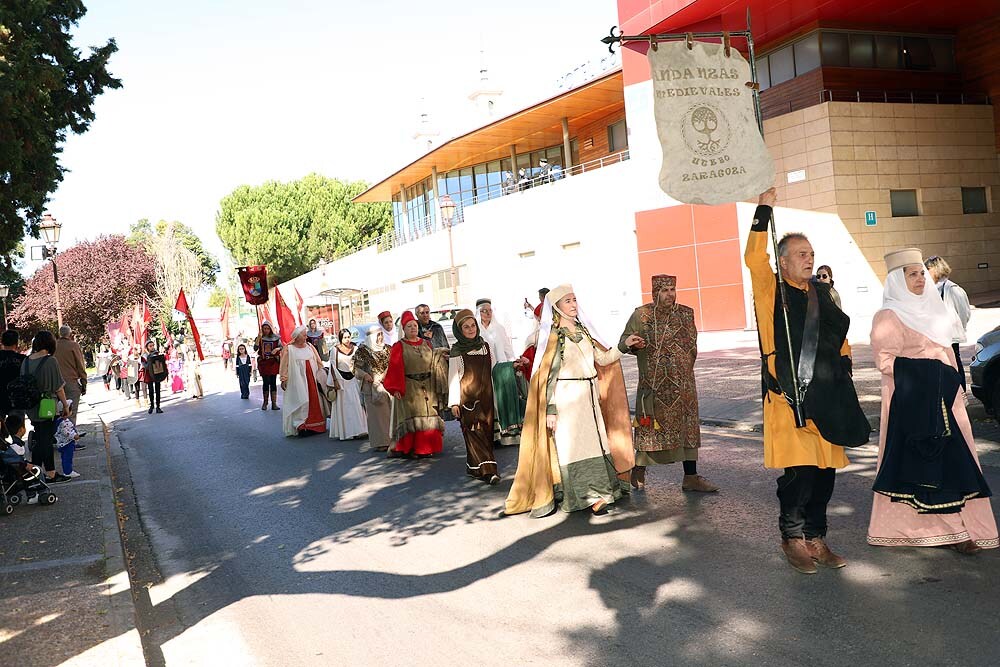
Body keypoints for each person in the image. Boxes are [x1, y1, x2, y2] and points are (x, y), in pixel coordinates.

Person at [745, 188, 871, 574]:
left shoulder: (821, 294)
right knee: (799, 475)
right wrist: (763, 209)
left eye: (811, 254)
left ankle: (817, 539)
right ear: (782, 262)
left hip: (828, 396)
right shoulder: (771, 291)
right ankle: (793, 539)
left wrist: (845, 366)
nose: (809, 259)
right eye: (801, 254)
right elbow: (753, 257)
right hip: (790, 396)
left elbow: (839, 337)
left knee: (825, 475)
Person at [868, 248, 997, 553]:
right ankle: (945, 531)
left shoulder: (936, 308)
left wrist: (952, 381)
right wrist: (931, 370)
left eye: (921, 273)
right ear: (896, 281)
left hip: (947, 398)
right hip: (912, 401)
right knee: (923, 462)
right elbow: (885, 361)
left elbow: (950, 352)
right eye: (911, 274)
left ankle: (963, 527)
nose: (919, 279)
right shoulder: (888, 316)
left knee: (957, 461)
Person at [504, 285, 642, 517]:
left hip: (589, 395)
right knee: (573, 448)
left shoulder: (584, 331)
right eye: (567, 301)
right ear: (557, 307)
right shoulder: (554, 337)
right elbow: (549, 376)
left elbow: (602, 358)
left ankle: (600, 494)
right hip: (567, 398)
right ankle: (583, 496)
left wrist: (623, 346)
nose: (573, 304)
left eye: (574, 299)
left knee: (596, 444)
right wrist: (550, 409)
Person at [619, 274, 717, 493]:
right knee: (649, 429)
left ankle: (690, 477)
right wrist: (635, 345)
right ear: (655, 292)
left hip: (683, 385)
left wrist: (680, 368)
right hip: (654, 385)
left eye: (672, 289)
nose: (670, 294)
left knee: (687, 429)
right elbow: (624, 343)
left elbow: (691, 344)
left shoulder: (685, 313)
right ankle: (639, 468)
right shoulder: (641, 315)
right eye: (664, 290)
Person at [382, 311, 446, 458]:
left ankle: (427, 447)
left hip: (428, 387)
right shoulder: (399, 346)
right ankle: (412, 449)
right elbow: (394, 368)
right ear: (403, 329)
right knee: (413, 418)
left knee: (429, 416)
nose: (413, 328)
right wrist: (396, 388)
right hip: (410, 387)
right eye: (409, 326)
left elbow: (434, 361)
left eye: (415, 325)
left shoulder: (426, 344)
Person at [448, 309, 500, 484]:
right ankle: (489, 471)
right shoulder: (456, 351)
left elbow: (493, 369)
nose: (470, 330)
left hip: (487, 398)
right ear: (459, 330)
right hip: (468, 400)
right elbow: (453, 379)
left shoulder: (485, 346)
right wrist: (454, 403)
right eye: (466, 327)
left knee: (485, 433)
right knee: (474, 432)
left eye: (472, 326)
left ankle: (474, 467)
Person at [21, 331, 72, 484]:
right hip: (47, 404)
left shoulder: (26, 361)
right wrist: (65, 405)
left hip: (30, 404)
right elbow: (58, 387)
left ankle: (36, 472)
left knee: (40, 436)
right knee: (46, 440)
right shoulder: (50, 361)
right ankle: (50, 473)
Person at [478, 298, 526, 446]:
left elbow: (507, 348)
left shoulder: (499, 328)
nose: (487, 313)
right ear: (478, 312)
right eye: (484, 311)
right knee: (492, 402)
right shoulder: (476, 330)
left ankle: (508, 436)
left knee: (504, 400)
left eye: (489, 310)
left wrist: (513, 363)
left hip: (503, 370)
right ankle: (494, 436)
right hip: (485, 372)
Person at [924, 255, 972, 392]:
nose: (925, 273)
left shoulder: (953, 289)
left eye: (927, 269)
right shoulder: (930, 289)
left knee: (954, 365)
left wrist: (957, 328)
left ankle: (961, 396)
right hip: (934, 336)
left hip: (950, 336)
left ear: (935, 269)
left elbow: (964, 312)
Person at [278, 325, 327, 437]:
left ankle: (315, 426)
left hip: (312, 380)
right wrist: (283, 378)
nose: (306, 337)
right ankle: (301, 426)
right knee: (300, 400)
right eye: (304, 335)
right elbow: (284, 365)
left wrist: (321, 374)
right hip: (297, 380)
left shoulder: (310, 347)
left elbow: (318, 361)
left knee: (314, 401)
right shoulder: (288, 349)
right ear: (297, 337)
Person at [354, 325, 393, 452]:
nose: (381, 338)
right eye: (378, 335)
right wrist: (365, 375)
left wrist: (386, 374)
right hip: (371, 388)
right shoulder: (362, 351)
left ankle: (393, 439)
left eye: (381, 334)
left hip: (388, 385)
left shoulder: (388, 349)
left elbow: (394, 363)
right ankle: (381, 442)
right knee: (377, 417)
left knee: (391, 414)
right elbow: (355, 368)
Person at [329, 329, 367, 440]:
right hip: (341, 380)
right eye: (345, 337)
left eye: (348, 337)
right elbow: (332, 366)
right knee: (344, 406)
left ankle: (360, 429)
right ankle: (346, 432)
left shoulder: (355, 349)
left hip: (354, 379)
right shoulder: (335, 350)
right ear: (340, 338)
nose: (347, 339)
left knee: (356, 405)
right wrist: (335, 381)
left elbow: (360, 364)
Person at [54, 325, 87, 424]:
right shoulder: (73, 345)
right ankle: (70, 436)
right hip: (70, 382)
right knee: (71, 413)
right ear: (70, 334)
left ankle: (59, 436)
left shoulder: (53, 345)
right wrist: (84, 383)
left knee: (58, 414)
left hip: (55, 383)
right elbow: (80, 365)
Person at [255, 321, 282, 410]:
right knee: (266, 382)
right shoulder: (260, 338)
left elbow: (282, 346)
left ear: (270, 329)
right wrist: (258, 338)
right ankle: (265, 402)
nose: (266, 330)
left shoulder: (276, 338)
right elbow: (255, 348)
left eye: (267, 328)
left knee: (273, 382)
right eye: (264, 328)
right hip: (264, 362)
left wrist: (277, 349)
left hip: (273, 362)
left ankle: (274, 403)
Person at [0, 329, 26, 420]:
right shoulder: (23, 360)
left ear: (2, 342)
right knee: (17, 429)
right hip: (16, 399)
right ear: (16, 344)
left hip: (1, 398)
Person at [54, 399, 82, 478]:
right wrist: (75, 436)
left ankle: (67, 470)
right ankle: (68, 472)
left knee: (65, 457)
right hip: (67, 442)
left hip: (63, 442)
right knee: (67, 458)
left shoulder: (61, 420)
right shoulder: (63, 422)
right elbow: (67, 432)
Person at [141, 339, 167, 414]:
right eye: (150, 346)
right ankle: (152, 405)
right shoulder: (144, 356)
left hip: (157, 374)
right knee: (151, 391)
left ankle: (158, 406)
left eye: (153, 345)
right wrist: (150, 359)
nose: (152, 347)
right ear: (147, 347)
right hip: (149, 375)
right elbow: (145, 366)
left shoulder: (157, 353)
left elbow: (161, 363)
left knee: (158, 390)